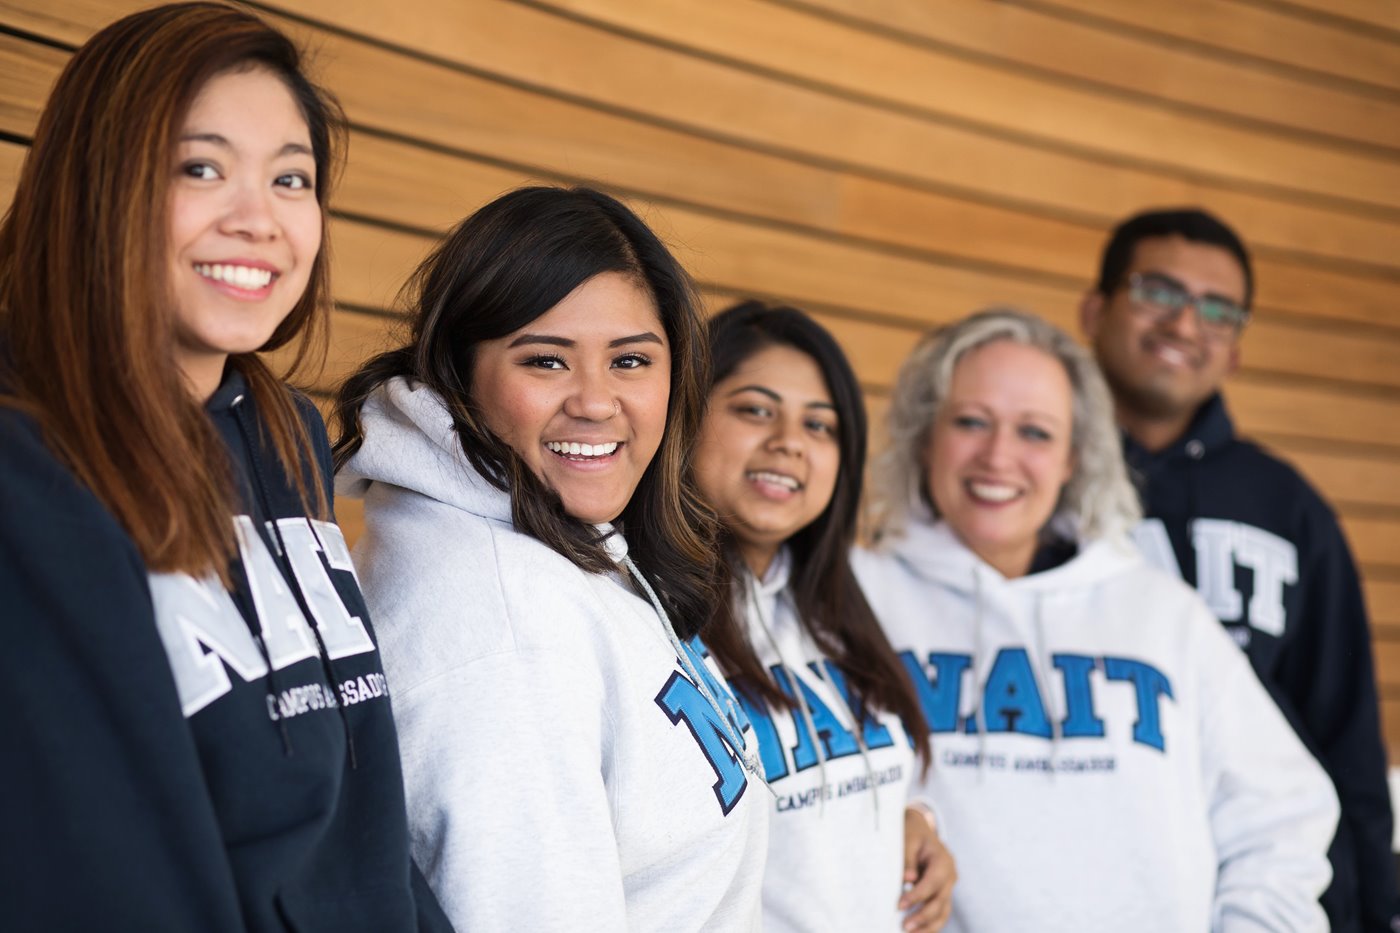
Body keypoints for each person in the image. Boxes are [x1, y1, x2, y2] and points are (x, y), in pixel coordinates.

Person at [0, 4, 450, 930]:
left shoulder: (283, 429)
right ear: (99, 184)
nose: (259, 220)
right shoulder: (29, 460)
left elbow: (363, 812)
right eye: (201, 168)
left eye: (293, 179)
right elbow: (98, 869)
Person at [332, 186, 768, 931]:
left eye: (630, 360)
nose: (596, 402)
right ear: (460, 371)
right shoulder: (501, 627)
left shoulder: (556, 543)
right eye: (546, 361)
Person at [853, 308, 1339, 931]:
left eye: (1035, 433)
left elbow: (1282, 814)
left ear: (1073, 460)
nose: (998, 456)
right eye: (971, 422)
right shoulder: (851, 599)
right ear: (926, 437)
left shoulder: (1163, 613)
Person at [1080, 207, 1398, 932]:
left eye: (1218, 310)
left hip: (1283, 888)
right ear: (1095, 310)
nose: (1186, 324)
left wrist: (1377, 910)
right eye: (1158, 291)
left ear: (1236, 351)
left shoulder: (1290, 507)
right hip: (1104, 878)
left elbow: (1344, 729)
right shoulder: (1028, 487)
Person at [692, 301, 956, 932]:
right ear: (686, 415)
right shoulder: (644, 620)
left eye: (820, 426)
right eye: (755, 410)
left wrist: (916, 817)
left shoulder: (837, 607)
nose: (788, 443)